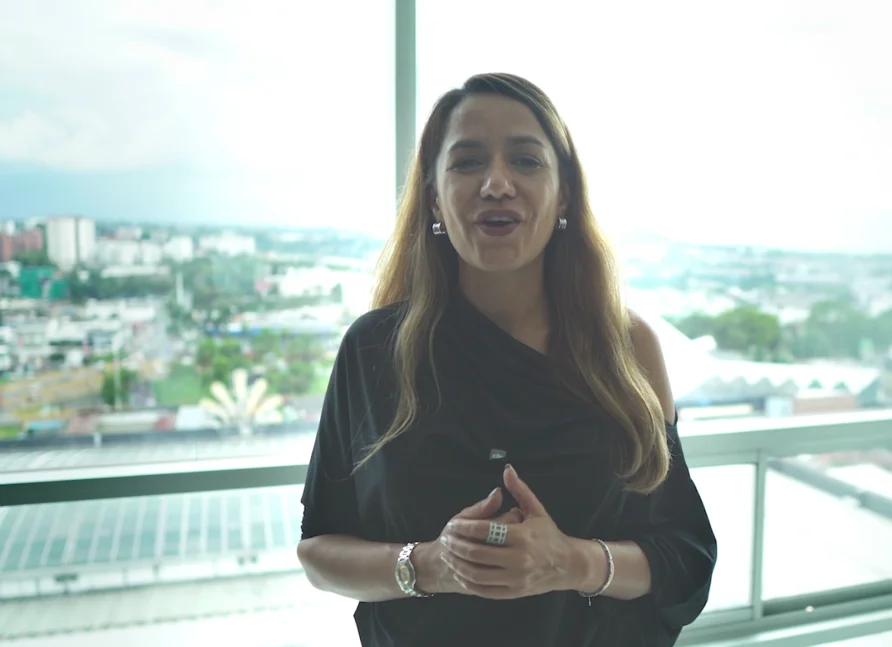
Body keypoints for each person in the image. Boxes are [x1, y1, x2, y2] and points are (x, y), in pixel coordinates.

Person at [296, 72, 717, 647]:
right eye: (468, 162)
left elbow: (685, 557)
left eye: (525, 160)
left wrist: (571, 562)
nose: (497, 184)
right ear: (434, 197)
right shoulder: (374, 349)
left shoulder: (626, 347)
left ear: (564, 194)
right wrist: (430, 565)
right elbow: (319, 553)